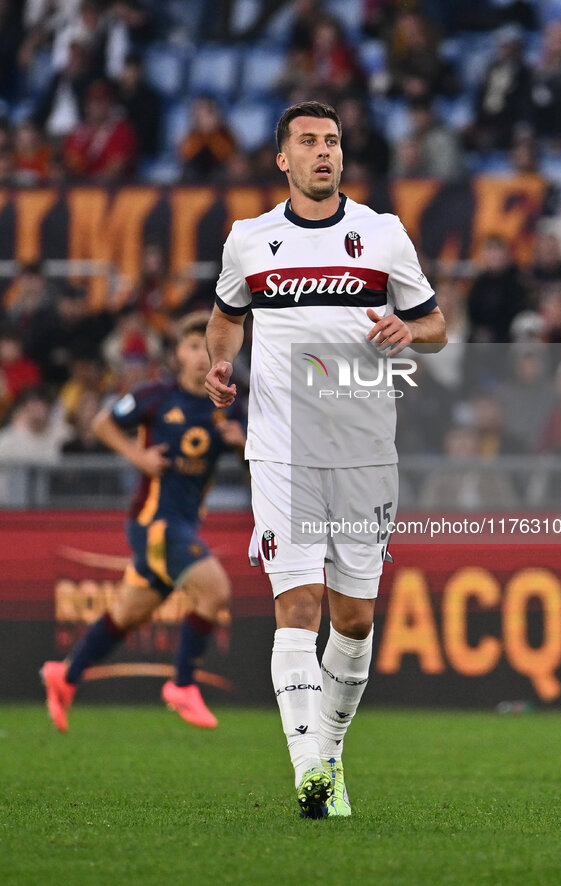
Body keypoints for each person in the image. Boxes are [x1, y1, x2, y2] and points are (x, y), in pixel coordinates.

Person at [204, 101, 446, 818]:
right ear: (282, 158)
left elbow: (435, 324)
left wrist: (409, 327)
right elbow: (225, 317)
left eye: (332, 142)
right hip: (281, 452)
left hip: (365, 452)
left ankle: (331, 754)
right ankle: (308, 767)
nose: (322, 153)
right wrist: (220, 364)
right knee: (297, 605)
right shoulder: (250, 240)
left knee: (354, 621)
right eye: (307, 142)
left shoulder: (382, 235)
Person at [41, 312, 246, 733]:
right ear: (176, 354)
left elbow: (256, 463)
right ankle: (183, 685)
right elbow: (102, 423)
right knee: (216, 591)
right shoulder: (155, 396)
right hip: (154, 522)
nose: (198, 357)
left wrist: (245, 445)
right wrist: (140, 458)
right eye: (190, 347)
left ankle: (66, 674)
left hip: (185, 523)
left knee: (127, 615)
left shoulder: (227, 405)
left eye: (205, 349)